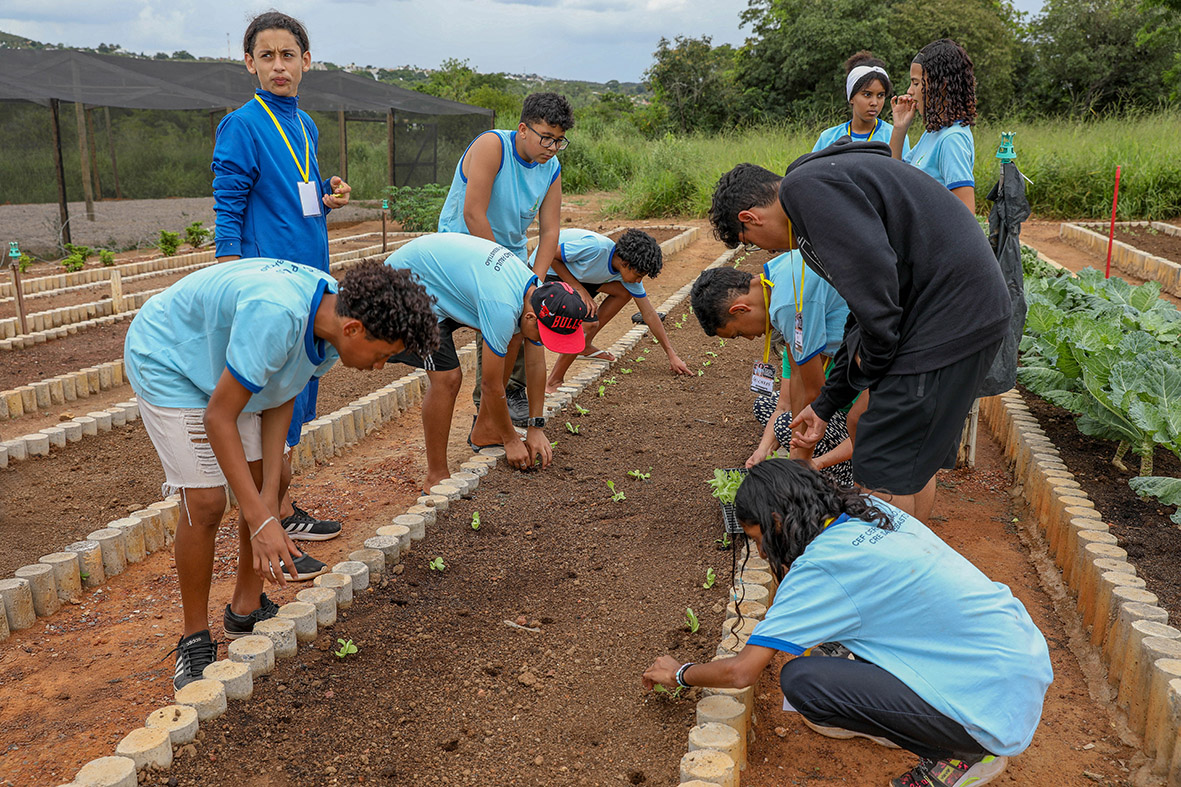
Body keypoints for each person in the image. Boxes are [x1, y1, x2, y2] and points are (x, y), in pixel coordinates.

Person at [124, 259, 438, 690]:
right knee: (207, 501)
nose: (379, 367)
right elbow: (219, 418)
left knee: (270, 481)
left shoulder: (329, 319)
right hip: (170, 360)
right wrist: (261, 520)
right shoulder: (278, 315)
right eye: (382, 355)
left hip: (220, 365)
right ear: (354, 330)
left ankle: (245, 607)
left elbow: (282, 390)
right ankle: (193, 637)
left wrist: (269, 498)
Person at [642, 459, 1052, 787]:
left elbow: (741, 671)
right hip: (1014, 660)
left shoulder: (822, 568)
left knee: (803, 681)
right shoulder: (866, 513)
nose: (761, 551)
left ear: (777, 521)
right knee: (827, 645)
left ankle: (965, 757)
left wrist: (680, 673)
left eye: (757, 537)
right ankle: (909, 719)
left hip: (988, 708)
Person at [704, 151, 1009, 520]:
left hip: (948, 316)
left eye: (751, 241)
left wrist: (878, 360)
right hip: (961, 311)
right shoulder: (821, 191)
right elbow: (860, 312)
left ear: (749, 218)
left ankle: (886, 571)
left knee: (881, 458)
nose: (766, 250)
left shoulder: (804, 190)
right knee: (900, 456)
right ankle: (904, 562)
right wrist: (826, 404)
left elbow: (875, 282)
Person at [212, 10, 351, 541]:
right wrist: (230, 274)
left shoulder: (306, 123)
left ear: (306, 61)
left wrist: (329, 198)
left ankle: (282, 506)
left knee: (292, 397)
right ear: (250, 63)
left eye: (287, 55)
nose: (278, 66)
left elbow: (302, 195)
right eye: (266, 56)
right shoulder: (243, 124)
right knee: (272, 401)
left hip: (309, 276)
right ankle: (275, 514)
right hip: (269, 283)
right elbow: (229, 203)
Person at [384, 233, 590, 490]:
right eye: (545, 335)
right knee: (447, 378)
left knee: (514, 339)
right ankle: (436, 476)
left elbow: (536, 365)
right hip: (402, 290)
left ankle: (485, 428)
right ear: (530, 317)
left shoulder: (537, 293)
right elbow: (491, 386)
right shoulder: (503, 306)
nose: (546, 342)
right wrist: (511, 439)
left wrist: (535, 426)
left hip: (434, 281)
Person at [438, 92, 574, 424]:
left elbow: (550, 232)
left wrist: (535, 282)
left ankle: (509, 392)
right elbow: (472, 213)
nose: (551, 148)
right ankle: (487, 405)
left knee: (529, 313)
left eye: (559, 141)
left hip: (511, 254)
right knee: (501, 311)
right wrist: (509, 275)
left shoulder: (551, 168)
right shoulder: (492, 146)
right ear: (523, 128)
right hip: (465, 247)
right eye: (546, 138)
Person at [690, 253, 859, 486]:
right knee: (772, 409)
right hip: (861, 355)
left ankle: (846, 478)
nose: (750, 338)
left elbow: (814, 392)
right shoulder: (778, 272)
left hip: (874, 365)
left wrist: (798, 467)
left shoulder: (788, 307)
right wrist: (768, 452)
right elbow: (797, 382)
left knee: (794, 425)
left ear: (739, 309)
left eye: (739, 332)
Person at [529, 228, 691, 392]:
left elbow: (648, 313)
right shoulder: (596, 248)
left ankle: (584, 345)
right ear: (625, 264)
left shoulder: (627, 272)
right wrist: (578, 289)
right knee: (589, 324)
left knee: (623, 293)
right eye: (639, 275)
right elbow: (550, 255)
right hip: (548, 269)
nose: (639, 280)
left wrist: (672, 355)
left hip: (580, 275)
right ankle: (554, 381)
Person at [890, 39, 978, 212]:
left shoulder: (952, 139)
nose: (909, 91)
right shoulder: (934, 133)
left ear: (941, 85)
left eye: (916, 83)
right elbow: (894, 176)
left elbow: (966, 212)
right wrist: (899, 128)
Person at [812, 51, 909, 157]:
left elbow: (901, 172)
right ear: (851, 97)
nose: (874, 103)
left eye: (880, 95)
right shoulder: (829, 138)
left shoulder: (894, 136)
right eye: (867, 94)